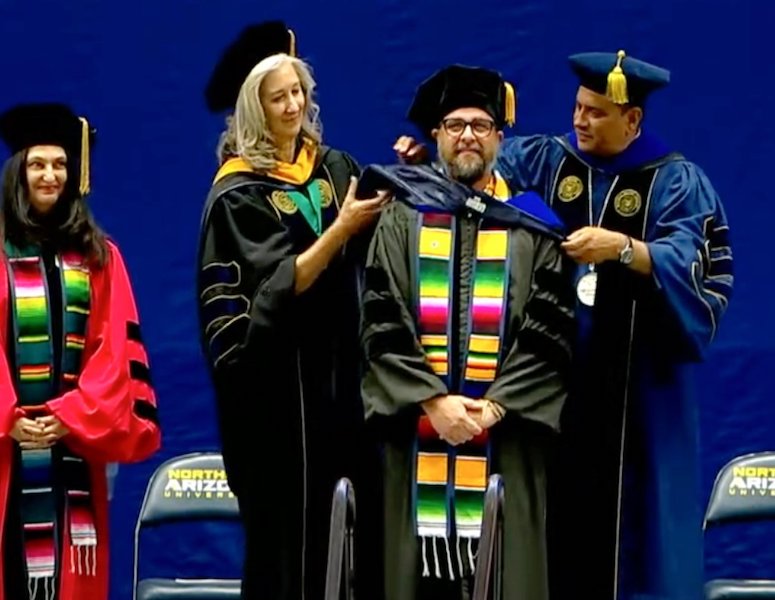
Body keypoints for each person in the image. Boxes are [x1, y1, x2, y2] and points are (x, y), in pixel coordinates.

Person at [398, 50, 734, 600]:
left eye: (597, 113)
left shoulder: (675, 182)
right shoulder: (549, 162)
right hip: (547, 381)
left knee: (636, 536)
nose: (580, 121)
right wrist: (428, 160)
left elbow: (701, 264)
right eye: (578, 108)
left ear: (633, 121)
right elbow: (479, 173)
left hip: (637, 394)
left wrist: (624, 249)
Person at [360, 64, 575, 600]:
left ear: (501, 136)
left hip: (506, 439)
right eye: (454, 125)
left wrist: (494, 408)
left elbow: (549, 331)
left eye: (481, 125)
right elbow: (381, 319)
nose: (467, 137)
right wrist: (433, 402)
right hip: (418, 436)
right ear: (436, 136)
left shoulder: (531, 226)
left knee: (507, 576)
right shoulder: (402, 215)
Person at [196, 21, 389, 600]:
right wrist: (341, 229)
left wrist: (408, 170)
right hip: (276, 404)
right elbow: (280, 285)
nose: (293, 105)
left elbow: (379, 222)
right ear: (254, 108)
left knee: (353, 534)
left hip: (341, 391)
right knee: (286, 550)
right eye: (277, 96)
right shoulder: (238, 194)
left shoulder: (332, 167)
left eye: (298, 91)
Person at [0, 102, 161, 600]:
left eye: (60, 164)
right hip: (5, 453)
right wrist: (10, 416)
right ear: (18, 173)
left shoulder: (98, 257)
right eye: (37, 164)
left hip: (73, 447)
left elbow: (115, 352)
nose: (49, 175)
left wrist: (70, 415)